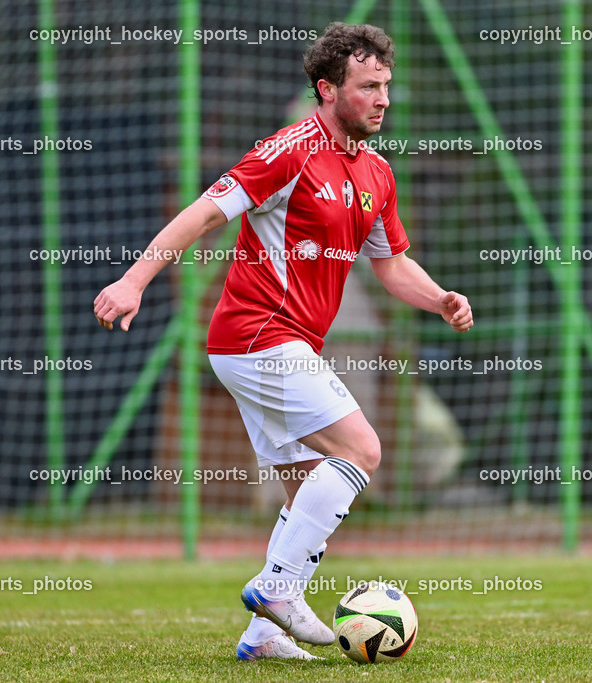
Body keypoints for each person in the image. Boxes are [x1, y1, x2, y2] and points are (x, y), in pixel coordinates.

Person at [94, 22, 473, 661]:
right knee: (361, 449)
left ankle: (264, 634)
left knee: (304, 490)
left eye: (387, 86)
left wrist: (438, 298)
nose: (383, 99)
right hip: (255, 334)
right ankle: (276, 588)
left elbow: (390, 264)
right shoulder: (289, 150)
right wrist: (134, 280)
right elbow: (205, 212)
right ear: (327, 89)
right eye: (368, 87)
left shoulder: (377, 173)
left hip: (283, 345)